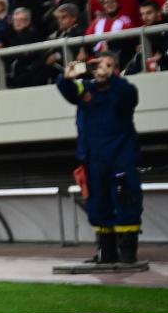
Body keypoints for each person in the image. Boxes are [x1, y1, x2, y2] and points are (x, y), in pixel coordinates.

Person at [53, 53, 146, 273]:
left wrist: (112, 77)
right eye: (99, 65)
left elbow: (129, 97)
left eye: (109, 65)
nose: (102, 69)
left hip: (121, 159)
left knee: (126, 204)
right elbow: (68, 90)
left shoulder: (124, 90)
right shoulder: (86, 89)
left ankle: (128, 255)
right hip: (93, 161)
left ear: (116, 70)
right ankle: (106, 253)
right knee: (98, 206)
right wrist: (66, 77)